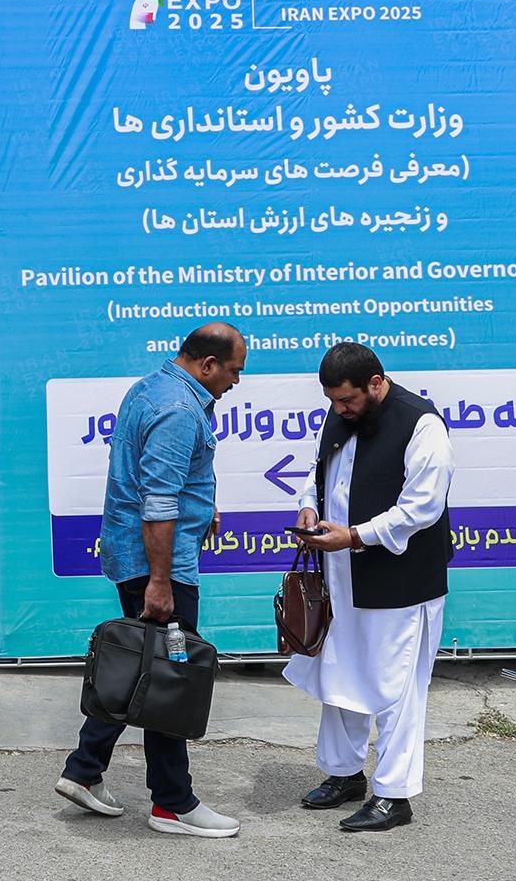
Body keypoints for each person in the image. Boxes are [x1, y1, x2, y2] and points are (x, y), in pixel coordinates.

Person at [55, 322, 247, 838]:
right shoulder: (179, 410)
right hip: (159, 568)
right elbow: (158, 501)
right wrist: (160, 582)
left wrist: (202, 508)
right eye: (233, 371)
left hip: (139, 558)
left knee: (145, 664)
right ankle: (172, 803)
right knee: (171, 677)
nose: (235, 382)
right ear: (208, 364)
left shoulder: (152, 387)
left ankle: (84, 769)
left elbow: (160, 480)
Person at [285, 342, 455, 833]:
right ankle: (344, 774)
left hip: (401, 583)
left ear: (376, 384)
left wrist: (356, 536)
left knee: (397, 688)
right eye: (333, 401)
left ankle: (394, 796)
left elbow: (422, 507)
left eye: (347, 400)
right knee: (339, 675)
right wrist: (309, 506)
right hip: (342, 577)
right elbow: (319, 473)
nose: (339, 410)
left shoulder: (422, 425)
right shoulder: (343, 415)